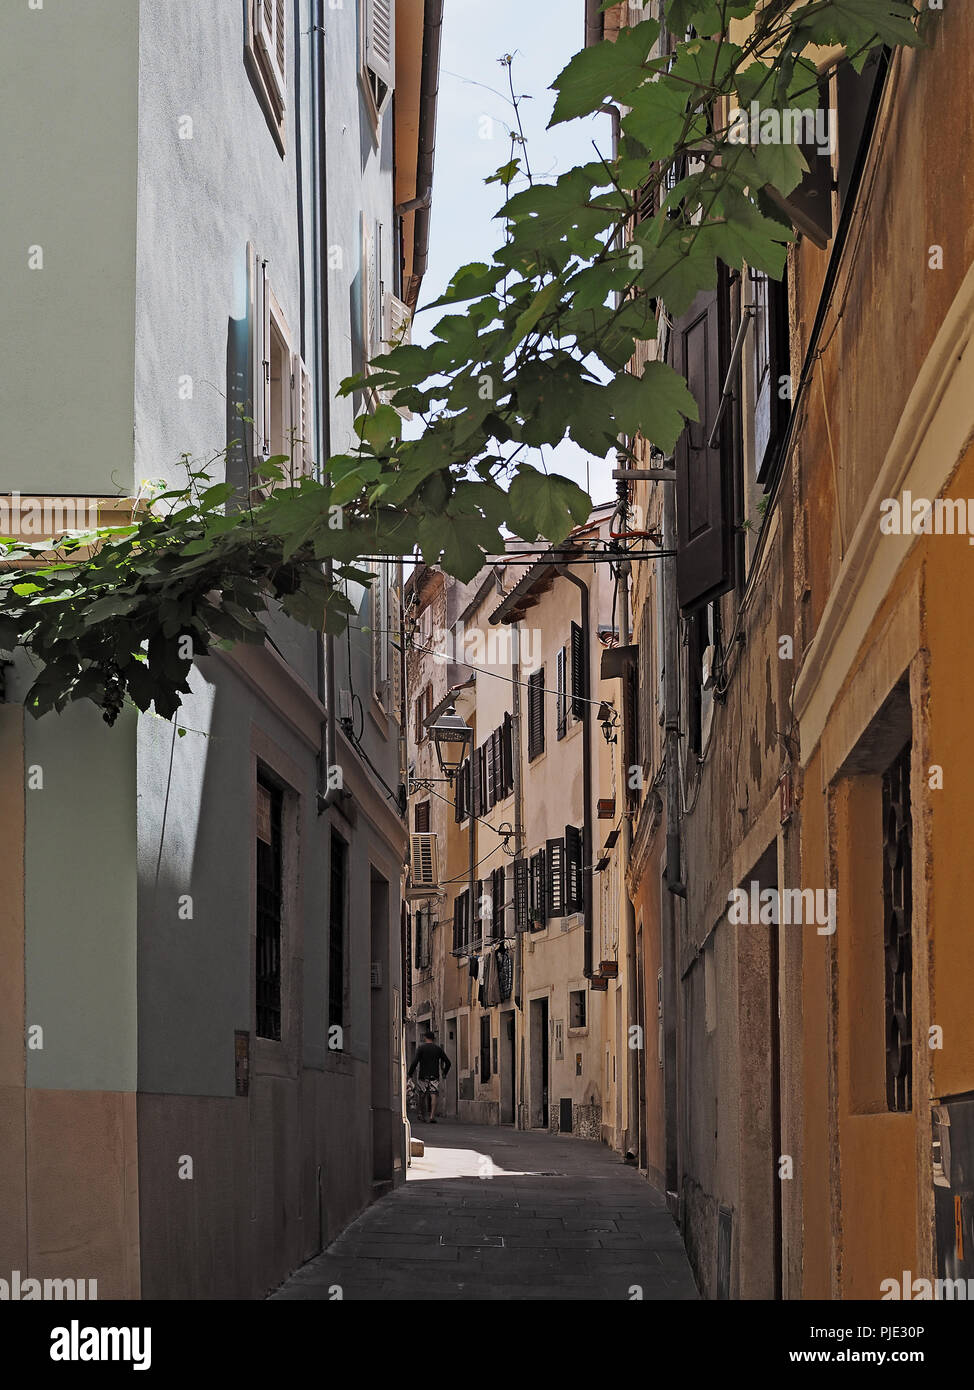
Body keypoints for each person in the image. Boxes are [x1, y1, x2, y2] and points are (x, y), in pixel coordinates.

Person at [407, 1029, 451, 1123]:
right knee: (434, 1095)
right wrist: (444, 1073)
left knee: (422, 1095)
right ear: (433, 1039)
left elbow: (415, 1062)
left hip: (423, 1075)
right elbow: (448, 1062)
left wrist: (410, 1074)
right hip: (434, 1075)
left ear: (425, 1038)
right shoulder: (438, 1049)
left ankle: (422, 1115)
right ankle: (432, 1116)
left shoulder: (421, 1048)